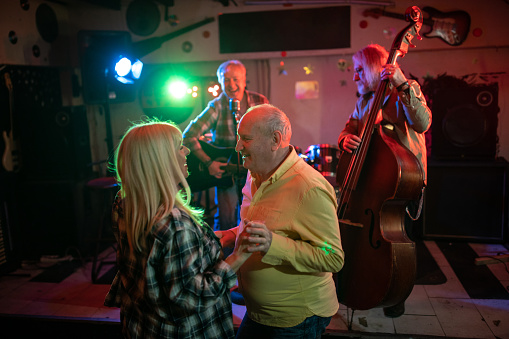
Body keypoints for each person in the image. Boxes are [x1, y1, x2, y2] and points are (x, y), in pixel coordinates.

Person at [103, 120, 254, 339]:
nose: (187, 151)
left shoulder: (127, 203)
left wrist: (232, 234)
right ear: (161, 161)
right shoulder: (174, 223)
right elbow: (192, 298)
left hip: (142, 325)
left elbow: (172, 255)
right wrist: (240, 256)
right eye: (179, 146)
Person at [217, 104, 345, 338]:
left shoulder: (309, 188)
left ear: (275, 140)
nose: (237, 147)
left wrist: (272, 245)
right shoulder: (254, 171)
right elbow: (269, 224)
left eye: (245, 139)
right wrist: (233, 234)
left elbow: (332, 256)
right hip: (259, 313)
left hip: (293, 320)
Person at [337, 44, 432, 318]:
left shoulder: (403, 91)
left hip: (402, 182)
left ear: (374, 68)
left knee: (401, 238)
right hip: (373, 182)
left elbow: (422, 122)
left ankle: (397, 290)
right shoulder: (364, 100)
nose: (355, 77)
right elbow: (349, 126)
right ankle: (366, 282)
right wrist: (345, 138)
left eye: (358, 70)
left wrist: (403, 84)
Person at [183, 60, 269, 233]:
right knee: (227, 222)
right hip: (226, 176)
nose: (231, 84)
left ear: (244, 80)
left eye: (235, 79)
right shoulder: (217, 105)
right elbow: (188, 135)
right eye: (226, 79)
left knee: (257, 218)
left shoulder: (260, 101)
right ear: (220, 82)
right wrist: (209, 163)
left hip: (255, 173)